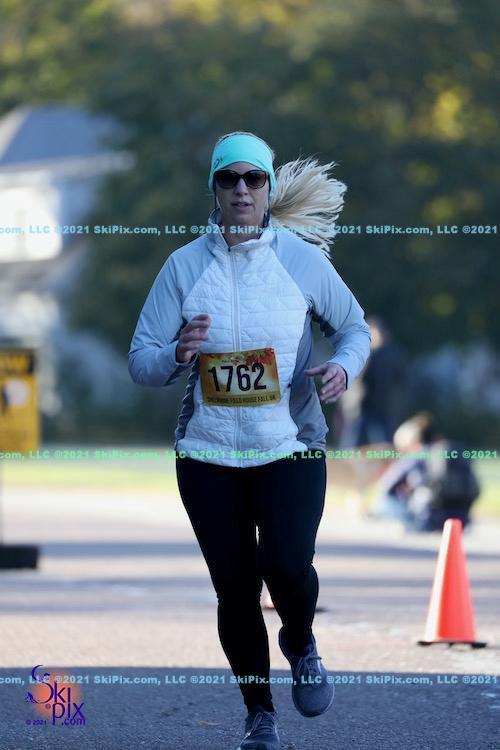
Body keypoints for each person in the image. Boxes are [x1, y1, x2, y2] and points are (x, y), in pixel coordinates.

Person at [128, 131, 371, 749]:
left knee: (286, 565)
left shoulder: (300, 261)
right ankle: (259, 714)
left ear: (268, 188)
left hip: (290, 445)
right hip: (208, 453)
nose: (241, 189)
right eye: (228, 178)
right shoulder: (183, 266)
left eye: (253, 178)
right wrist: (177, 353)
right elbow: (141, 360)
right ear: (214, 189)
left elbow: (353, 328)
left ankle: (301, 641)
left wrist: (343, 368)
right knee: (235, 589)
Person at [372, 412, 480, 532]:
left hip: (427, 520)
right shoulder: (454, 451)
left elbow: (386, 484)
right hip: (460, 521)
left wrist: (406, 492)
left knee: (384, 502)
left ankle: (405, 524)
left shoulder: (416, 455)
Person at [338, 315, 408, 448]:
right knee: (351, 445)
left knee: (384, 445)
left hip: (381, 407)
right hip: (357, 407)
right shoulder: (357, 351)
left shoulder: (391, 354)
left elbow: (401, 380)